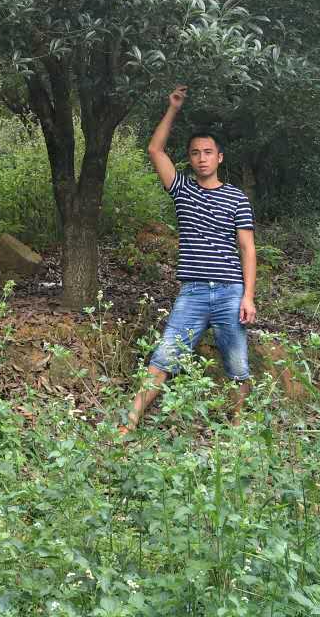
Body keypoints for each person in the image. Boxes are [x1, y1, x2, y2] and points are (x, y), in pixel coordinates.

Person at [123, 84, 257, 432]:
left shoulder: (237, 199)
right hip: (193, 293)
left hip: (229, 292)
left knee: (238, 365)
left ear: (219, 158)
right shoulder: (183, 190)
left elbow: (247, 249)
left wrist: (248, 296)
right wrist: (173, 109)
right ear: (190, 159)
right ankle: (128, 422)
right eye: (195, 153)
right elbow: (154, 149)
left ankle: (239, 431)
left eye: (208, 152)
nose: (201, 158)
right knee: (164, 357)